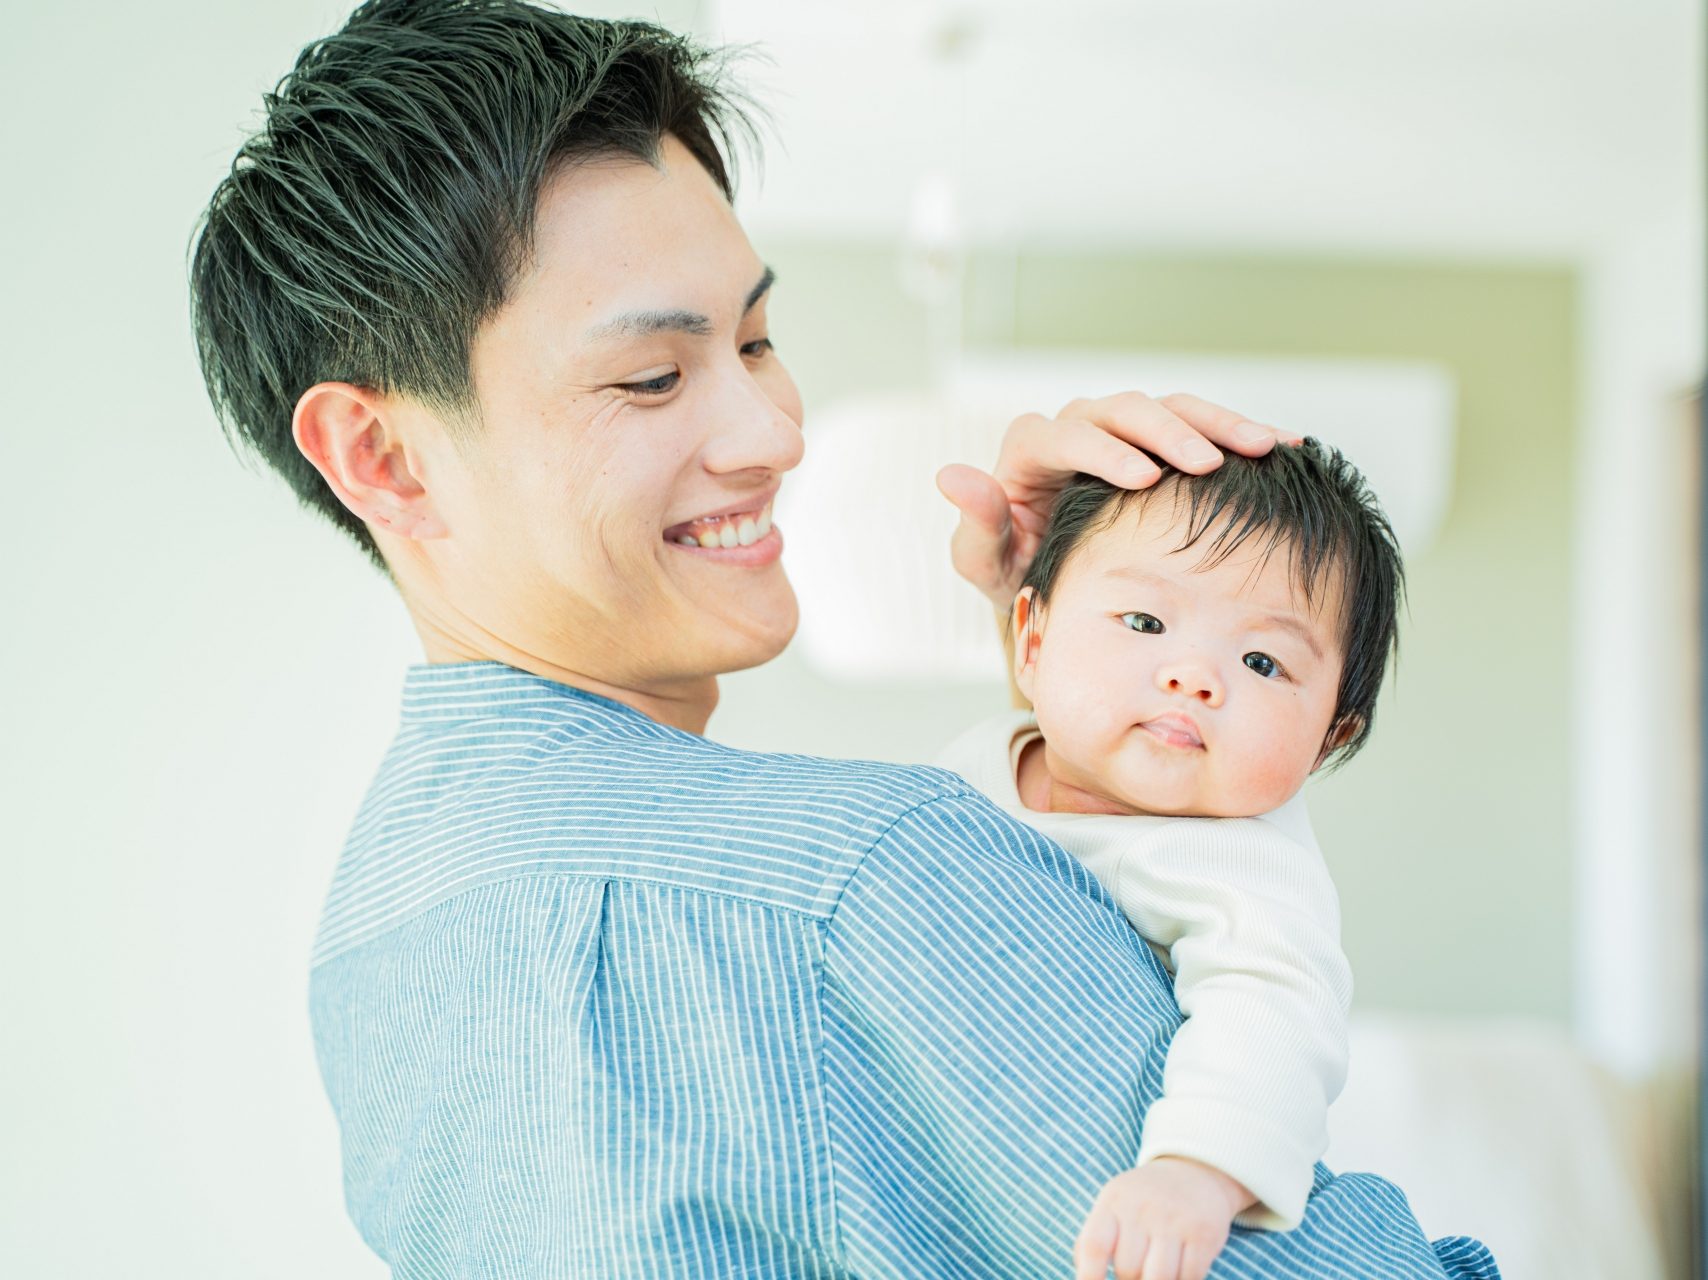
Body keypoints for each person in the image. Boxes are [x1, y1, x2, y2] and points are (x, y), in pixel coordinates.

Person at [185, 2, 1501, 1276]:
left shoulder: (370, 943)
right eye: (654, 375)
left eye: (757, 339)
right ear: (380, 456)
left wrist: (1083, 628)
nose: (776, 431)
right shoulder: (869, 877)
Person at [935, 443, 1400, 1280]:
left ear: (1329, 739)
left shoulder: (1244, 865)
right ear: (1030, 639)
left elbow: (1276, 1014)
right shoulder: (978, 759)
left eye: (1263, 662)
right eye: (1145, 623)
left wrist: (1194, 1172)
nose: (1194, 677)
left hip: (1114, 1200)